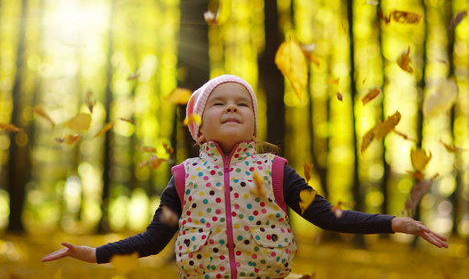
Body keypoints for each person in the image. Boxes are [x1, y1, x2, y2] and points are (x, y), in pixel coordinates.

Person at [42, 74, 448, 278]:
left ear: (254, 126)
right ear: (197, 126)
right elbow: (152, 239)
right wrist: (93, 254)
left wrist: (395, 223)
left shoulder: (274, 171)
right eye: (218, 103)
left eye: (242, 104)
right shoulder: (183, 178)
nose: (232, 108)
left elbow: (327, 216)